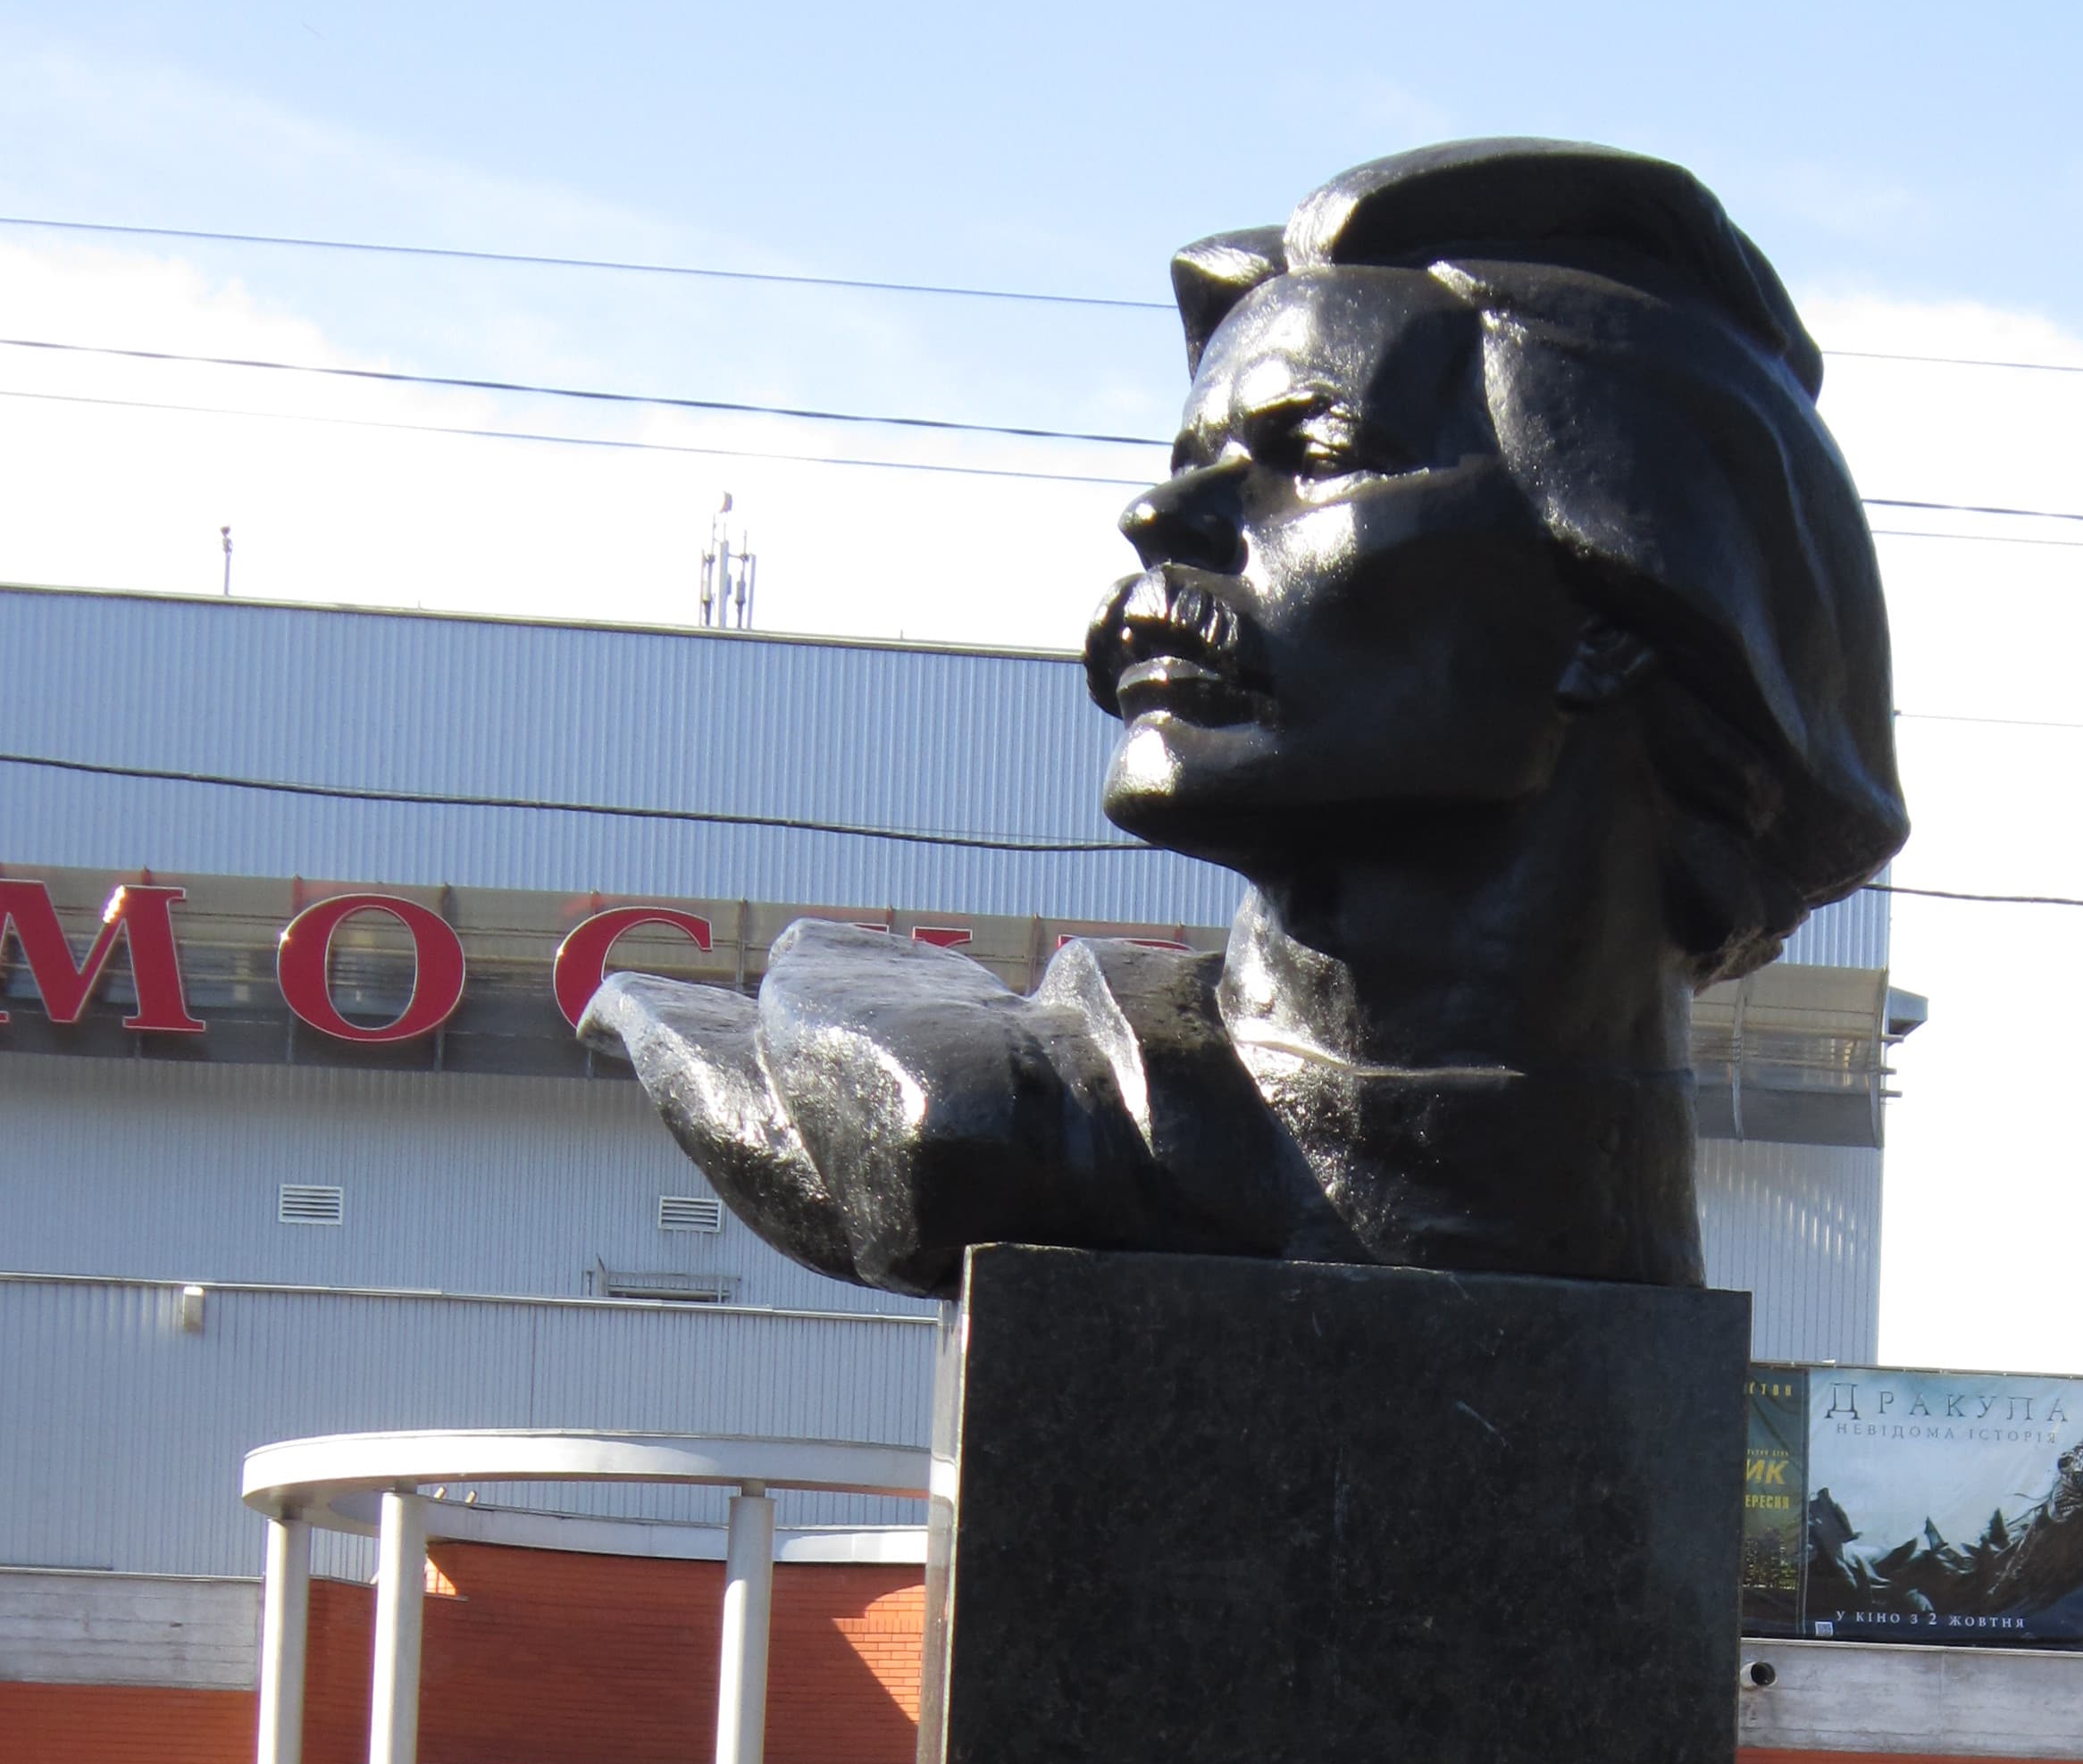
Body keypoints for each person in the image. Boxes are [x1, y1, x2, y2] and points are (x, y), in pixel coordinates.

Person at [591, 137, 1908, 1293]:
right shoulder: (977, 1118)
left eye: (1313, 453)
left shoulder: (1607, 1210)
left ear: (1622, 604)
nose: (1160, 519)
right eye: (1194, 463)